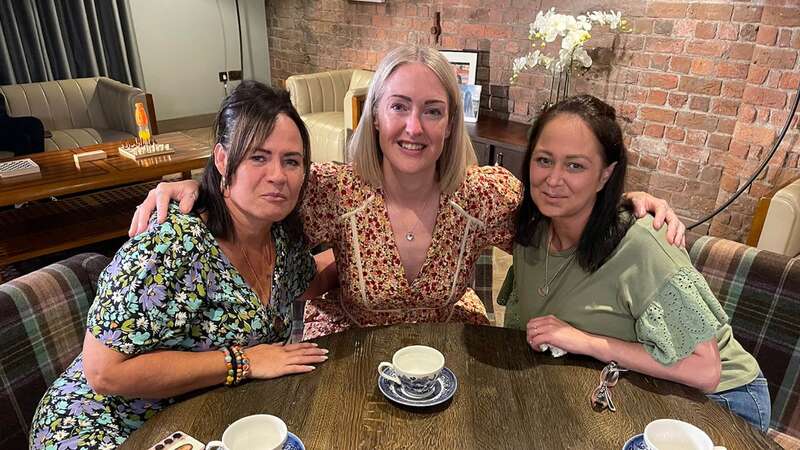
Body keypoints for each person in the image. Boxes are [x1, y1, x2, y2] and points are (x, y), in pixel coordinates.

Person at [129, 45, 685, 341]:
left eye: (433, 111)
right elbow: (256, 200)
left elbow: (561, 208)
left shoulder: (484, 196)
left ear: (450, 127)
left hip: (453, 351)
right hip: (352, 352)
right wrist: (198, 187)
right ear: (374, 118)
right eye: (398, 106)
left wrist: (630, 201)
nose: (414, 127)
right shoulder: (331, 191)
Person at [29, 81, 329, 449]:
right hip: (106, 425)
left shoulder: (281, 239)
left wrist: (369, 246)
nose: (278, 175)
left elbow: (309, 281)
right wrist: (244, 361)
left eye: (291, 161)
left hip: (198, 419)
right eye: (258, 157)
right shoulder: (173, 242)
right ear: (222, 160)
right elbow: (102, 372)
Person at [499, 95, 769, 431]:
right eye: (543, 160)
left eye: (575, 165)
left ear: (605, 175)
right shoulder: (531, 234)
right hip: (624, 384)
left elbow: (705, 371)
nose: (553, 180)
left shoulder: (643, 244)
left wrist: (585, 341)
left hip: (722, 400)